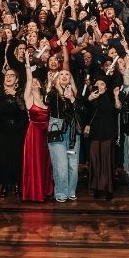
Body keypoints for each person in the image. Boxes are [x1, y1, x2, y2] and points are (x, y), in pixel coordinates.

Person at [46, 71, 81, 202]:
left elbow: (81, 111)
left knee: (73, 163)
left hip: (72, 131)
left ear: (71, 79)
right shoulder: (54, 94)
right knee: (60, 164)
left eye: (67, 74)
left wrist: (72, 98)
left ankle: (71, 190)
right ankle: (61, 192)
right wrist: (50, 84)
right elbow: (46, 101)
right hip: (57, 129)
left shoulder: (75, 95)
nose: (64, 76)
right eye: (61, 74)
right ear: (57, 79)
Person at [0, 68, 28, 198]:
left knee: (17, 157)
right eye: (7, 75)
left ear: (17, 80)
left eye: (12, 75)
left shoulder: (21, 92)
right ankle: (5, 185)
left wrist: (14, 95)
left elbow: (24, 110)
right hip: (2, 129)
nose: (8, 77)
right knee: (3, 157)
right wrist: (8, 96)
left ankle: (17, 183)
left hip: (18, 129)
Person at [85, 76, 120, 200]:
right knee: (95, 159)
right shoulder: (91, 96)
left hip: (108, 132)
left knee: (106, 159)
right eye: (97, 83)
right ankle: (96, 188)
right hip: (94, 132)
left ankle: (108, 188)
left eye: (102, 83)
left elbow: (118, 109)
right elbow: (85, 111)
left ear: (106, 86)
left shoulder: (110, 96)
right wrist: (89, 98)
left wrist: (116, 97)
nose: (99, 85)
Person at [21, 72, 54, 202]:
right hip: (34, 133)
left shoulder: (46, 97)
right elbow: (29, 79)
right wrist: (28, 64)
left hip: (46, 133)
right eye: (32, 81)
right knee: (34, 162)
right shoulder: (29, 98)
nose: (34, 82)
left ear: (41, 85)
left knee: (45, 162)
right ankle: (34, 192)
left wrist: (50, 83)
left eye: (36, 81)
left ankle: (45, 190)